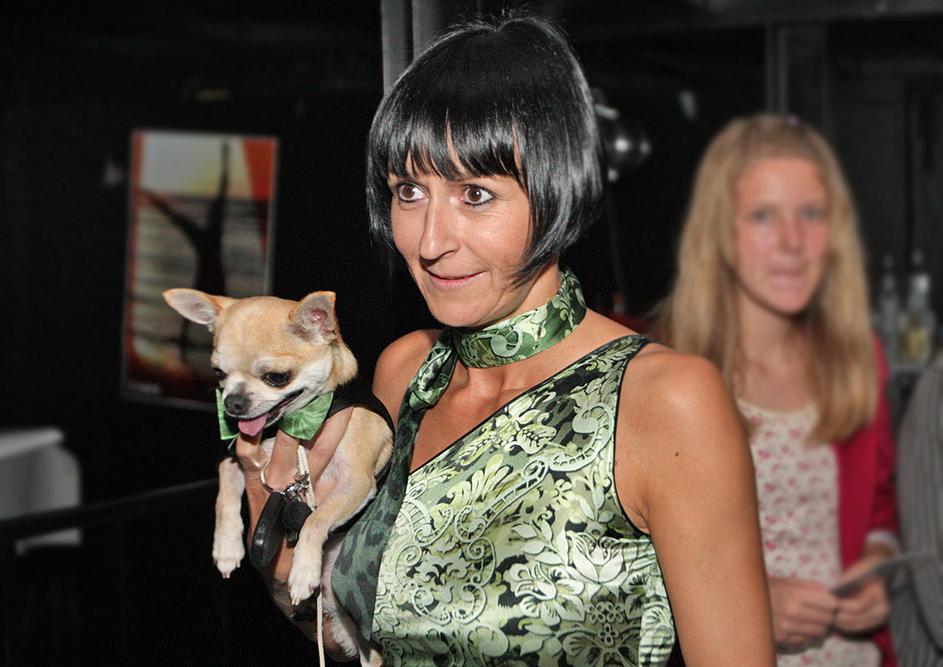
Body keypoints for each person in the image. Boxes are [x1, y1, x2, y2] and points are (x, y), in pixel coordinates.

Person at [236, 15, 774, 666]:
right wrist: (280, 547)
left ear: (555, 193)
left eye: (475, 194)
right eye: (410, 191)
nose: (431, 240)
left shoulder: (665, 399)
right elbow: (368, 638)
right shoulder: (407, 371)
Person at [656, 113, 899, 666]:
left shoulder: (856, 359)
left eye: (811, 214)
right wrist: (746, 601)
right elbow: (623, 568)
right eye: (764, 216)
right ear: (721, 232)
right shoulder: (669, 375)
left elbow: (881, 513)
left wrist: (878, 569)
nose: (793, 242)